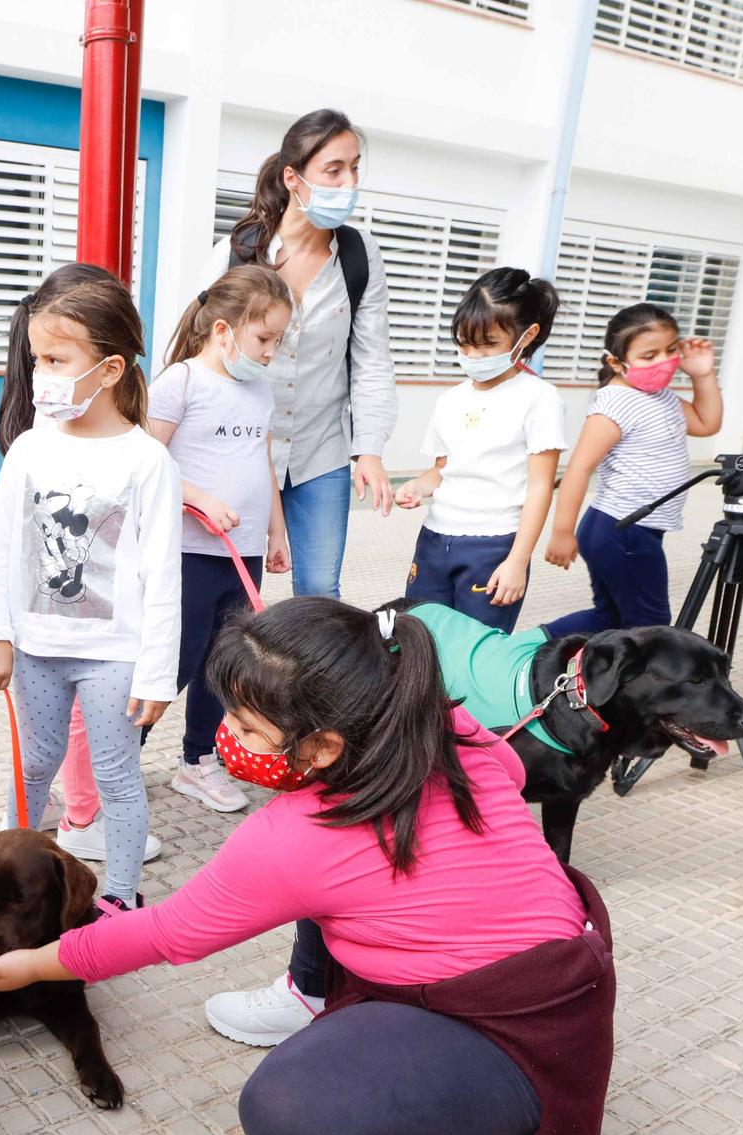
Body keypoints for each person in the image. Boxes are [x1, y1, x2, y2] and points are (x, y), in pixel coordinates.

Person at [0, 600, 616, 1135]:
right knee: (336, 894)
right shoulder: (439, 722)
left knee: (290, 1118)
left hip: (515, 1032)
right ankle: (313, 993)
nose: (230, 737)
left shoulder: (295, 837)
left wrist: (39, 962)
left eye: (247, 725)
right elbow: (511, 772)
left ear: (326, 744)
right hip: (570, 980)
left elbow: (167, 932)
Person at [0, 262, 183, 910]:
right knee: (31, 767)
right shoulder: (30, 449)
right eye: (38, 358)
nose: (42, 374)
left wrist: (155, 673)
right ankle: (6, 881)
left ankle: (119, 895)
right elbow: (0, 548)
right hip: (36, 646)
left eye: (58, 359)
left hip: (113, 655)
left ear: (111, 369)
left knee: (118, 776)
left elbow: (162, 575)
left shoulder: (148, 460)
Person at [205, 108, 399, 599]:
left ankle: (311, 679)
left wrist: (369, 449)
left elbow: (372, 358)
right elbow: (199, 351)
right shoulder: (236, 253)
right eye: (334, 170)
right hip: (242, 447)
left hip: (321, 450)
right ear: (293, 177)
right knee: (232, 588)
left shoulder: (359, 255)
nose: (348, 181)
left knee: (318, 591)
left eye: (354, 168)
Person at [146, 264, 295, 817]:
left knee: (224, 663)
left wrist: (276, 531)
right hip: (188, 552)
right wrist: (197, 497)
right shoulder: (180, 382)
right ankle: (116, 760)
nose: (269, 352)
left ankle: (197, 760)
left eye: (278, 340)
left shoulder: (260, 391)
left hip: (245, 552)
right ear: (223, 330)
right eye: (263, 338)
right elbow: (145, 462)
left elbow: (262, 460)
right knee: (177, 661)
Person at [393, 267, 564, 633]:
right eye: (465, 343)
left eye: (488, 343)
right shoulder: (450, 399)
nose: (473, 354)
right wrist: (417, 487)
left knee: (476, 649)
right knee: (417, 642)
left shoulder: (540, 399)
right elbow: (442, 469)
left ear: (527, 336)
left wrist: (518, 560)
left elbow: (540, 488)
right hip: (435, 540)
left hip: (493, 546)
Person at [541, 302, 723, 636]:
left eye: (671, 350)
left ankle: (533, 646)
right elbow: (579, 468)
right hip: (621, 528)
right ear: (616, 362)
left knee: (611, 617)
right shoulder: (616, 403)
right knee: (650, 625)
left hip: (636, 528)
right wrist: (562, 532)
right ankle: (637, 686)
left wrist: (703, 376)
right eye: (649, 355)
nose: (663, 361)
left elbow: (706, 422)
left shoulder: (662, 397)